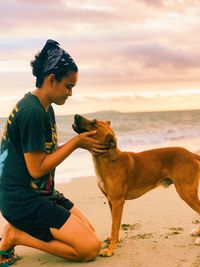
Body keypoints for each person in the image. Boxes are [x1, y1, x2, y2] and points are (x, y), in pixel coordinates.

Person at [0, 39, 107, 266]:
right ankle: (16, 234)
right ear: (51, 80)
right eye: (69, 86)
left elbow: (42, 156)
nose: (70, 93)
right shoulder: (32, 111)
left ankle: (22, 231)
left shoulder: (44, 107)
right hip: (23, 201)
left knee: (89, 231)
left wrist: (76, 142)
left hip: (42, 194)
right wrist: (76, 142)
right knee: (89, 248)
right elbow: (36, 169)